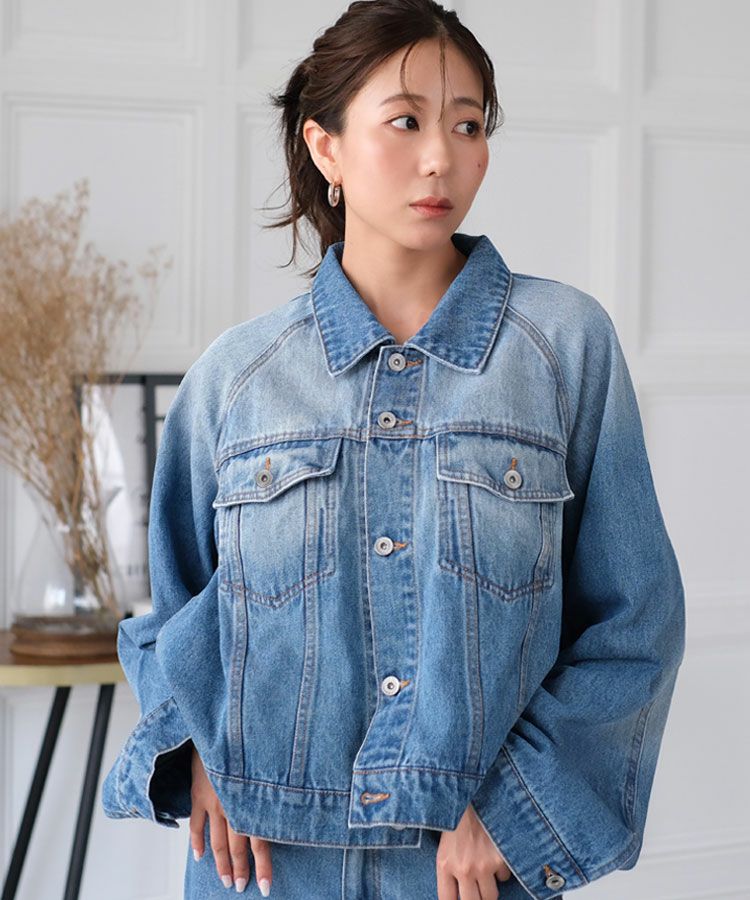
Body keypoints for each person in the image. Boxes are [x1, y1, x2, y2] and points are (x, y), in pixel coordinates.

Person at [100, 1, 686, 898]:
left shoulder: (563, 347)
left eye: (468, 125)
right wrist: (197, 749)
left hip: (466, 870)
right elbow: (172, 607)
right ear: (326, 146)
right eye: (405, 121)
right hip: (265, 865)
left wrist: (516, 812)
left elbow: (635, 619)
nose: (440, 156)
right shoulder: (238, 376)